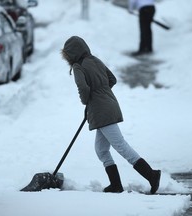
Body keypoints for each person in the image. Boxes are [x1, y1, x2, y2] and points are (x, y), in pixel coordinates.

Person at [61, 36, 161, 194]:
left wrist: (88, 101)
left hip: (101, 111)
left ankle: (152, 175)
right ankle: (116, 185)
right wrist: (102, 93)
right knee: (101, 149)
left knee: (120, 145)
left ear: (71, 54)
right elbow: (112, 79)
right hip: (110, 105)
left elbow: (83, 88)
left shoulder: (78, 66)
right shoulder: (95, 60)